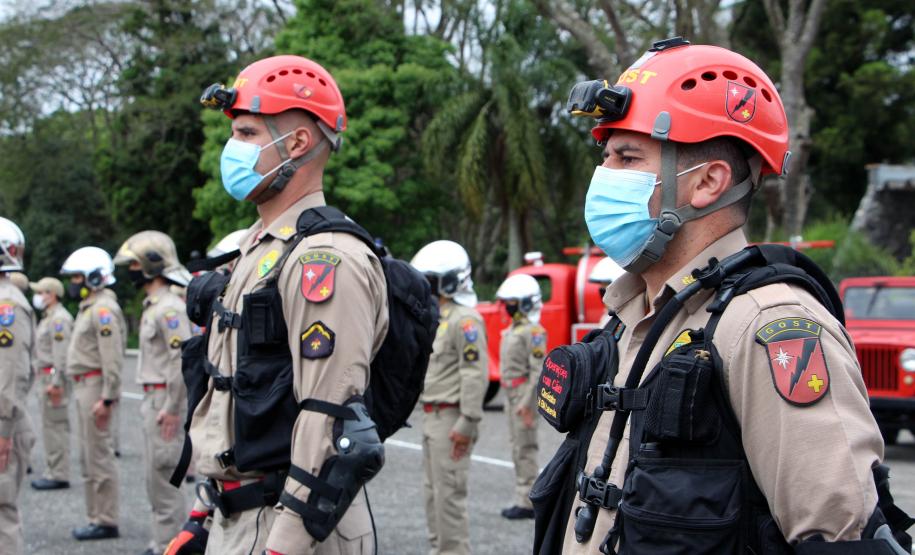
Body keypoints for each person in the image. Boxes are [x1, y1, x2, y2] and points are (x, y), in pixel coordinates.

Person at [537, 37, 907, 554]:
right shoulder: (638, 315)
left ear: (708, 182)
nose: (603, 178)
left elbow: (840, 535)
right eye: (606, 157)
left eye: (626, 157)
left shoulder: (766, 326)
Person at [169, 55, 388, 555]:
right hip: (241, 518)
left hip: (294, 528)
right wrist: (204, 514)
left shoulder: (324, 260)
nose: (232, 148)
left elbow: (329, 418)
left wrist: (282, 545)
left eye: (246, 133)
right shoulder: (259, 247)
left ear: (297, 144)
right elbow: (232, 397)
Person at [114, 231, 193, 555]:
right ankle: (164, 542)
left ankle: (172, 546)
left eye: (133, 264)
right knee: (155, 479)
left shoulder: (169, 308)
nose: (129, 270)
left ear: (150, 265)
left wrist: (173, 407)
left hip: (165, 400)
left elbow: (182, 359)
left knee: (165, 478)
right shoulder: (156, 305)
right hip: (155, 398)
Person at [410, 240, 488, 555]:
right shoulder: (437, 316)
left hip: (452, 419)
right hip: (433, 417)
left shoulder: (465, 320)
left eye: (429, 280)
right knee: (433, 494)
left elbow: (474, 373)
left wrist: (467, 421)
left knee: (449, 497)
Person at [61, 246, 126, 541]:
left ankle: (106, 519)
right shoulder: (91, 307)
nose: (73, 284)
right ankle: (95, 516)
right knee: (89, 456)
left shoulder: (103, 310)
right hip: (84, 385)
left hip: (95, 387)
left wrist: (108, 397)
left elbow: (111, 358)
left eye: (77, 278)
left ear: (95, 278)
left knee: (99, 456)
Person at [494, 274, 546, 520]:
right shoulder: (513, 329)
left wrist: (526, 404)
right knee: (517, 447)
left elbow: (538, 371)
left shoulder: (533, 332)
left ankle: (528, 501)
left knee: (525, 447)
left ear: (525, 303)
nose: (508, 306)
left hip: (523, 393)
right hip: (510, 393)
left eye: (513, 302)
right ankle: (522, 495)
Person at [0, 217, 36, 554]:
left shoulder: (6, 306)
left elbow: (11, 374)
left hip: (2, 422)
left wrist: (4, 430)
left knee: (1, 513)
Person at [29, 276, 74, 491]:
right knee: (49, 426)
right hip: (45, 376)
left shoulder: (59, 320)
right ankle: (53, 469)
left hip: (52, 378)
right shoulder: (49, 317)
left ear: (52, 294)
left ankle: (58, 473)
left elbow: (61, 354)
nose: (38, 296)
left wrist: (56, 382)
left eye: (41, 292)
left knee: (55, 427)